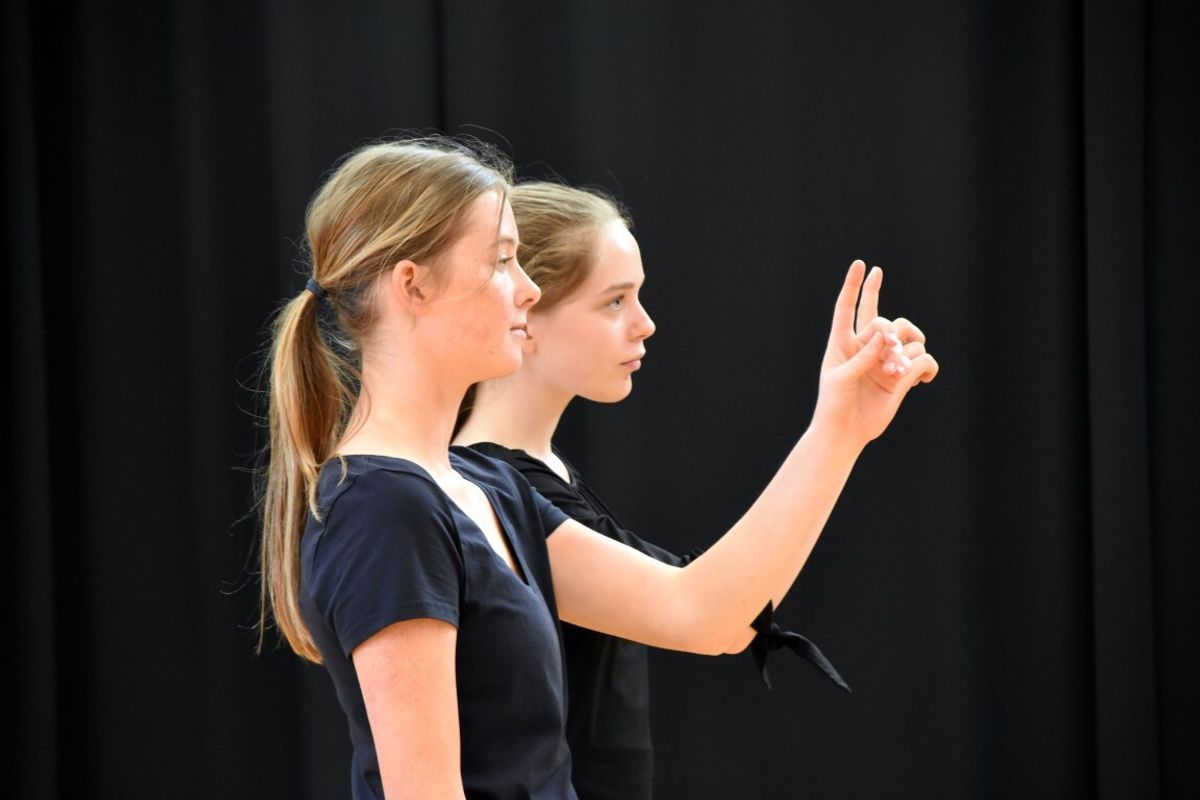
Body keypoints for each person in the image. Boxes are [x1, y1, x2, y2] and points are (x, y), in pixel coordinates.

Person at [258, 137, 937, 800]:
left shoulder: (492, 490)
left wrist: (841, 426)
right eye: (502, 262)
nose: (527, 290)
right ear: (413, 285)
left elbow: (705, 613)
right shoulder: (383, 507)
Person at [453, 181, 871, 800]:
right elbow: (707, 615)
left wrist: (848, 427)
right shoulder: (485, 493)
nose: (645, 324)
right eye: (614, 302)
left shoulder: (540, 476)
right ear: (526, 313)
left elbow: (729, 604)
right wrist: (837, 428)